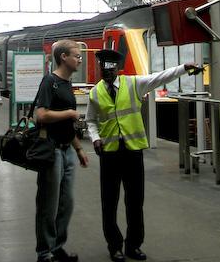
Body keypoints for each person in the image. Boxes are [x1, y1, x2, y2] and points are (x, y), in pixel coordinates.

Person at [86, 49, 202, 262]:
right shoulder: (94, 93)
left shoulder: (134, 84)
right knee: (109, 202)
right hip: (109, 154)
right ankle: (114, 246)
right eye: (103, 68)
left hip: (132, 152)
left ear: (118, 69)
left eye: (110, 69)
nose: (106, 72)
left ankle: (133, 245)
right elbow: (90, 120)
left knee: (135, 201)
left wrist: (183, 69)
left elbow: (159, 77)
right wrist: (95, 138)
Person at [34, 39, 89, 262]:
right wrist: (69, 113)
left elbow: (67, 126)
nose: (80, 59)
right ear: (63, 57)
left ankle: (58, 246)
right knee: (49, 203)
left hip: (67, 150)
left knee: (67, 202)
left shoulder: (67, 84)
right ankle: (44, 252)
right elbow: (41, 115)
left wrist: (78, 149)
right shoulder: (50, 82)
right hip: (51, 151)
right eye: (77, 55)